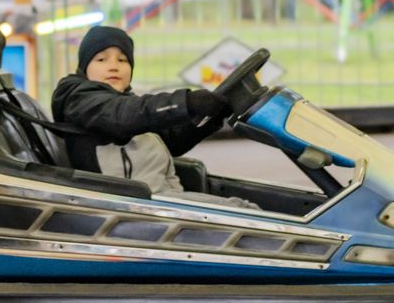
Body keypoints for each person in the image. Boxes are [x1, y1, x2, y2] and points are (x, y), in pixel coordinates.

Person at [50, 25, 255, 208]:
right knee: (245, 211)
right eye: (101, 59)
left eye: (122, 60)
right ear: (84, 67)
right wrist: (187, 102)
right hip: (131, 208)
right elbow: (120, 116)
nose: (114, 66)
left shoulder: (126, 102)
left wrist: (212, 116)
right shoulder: (79, 99)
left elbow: (171, 141)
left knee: (245, 208)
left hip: (161, 198)